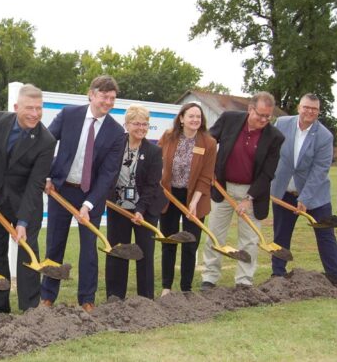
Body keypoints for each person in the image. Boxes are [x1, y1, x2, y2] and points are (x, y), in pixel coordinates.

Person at [41, 75, 125, 311]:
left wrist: (88, 205)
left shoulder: (117, 133)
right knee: (54, 245)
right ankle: (47, 297)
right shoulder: (69, 115)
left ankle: (87, 299)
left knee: (89, 249)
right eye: (104, 96)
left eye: (112, 98)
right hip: (61, 190)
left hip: (91, 195)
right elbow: (46, 144)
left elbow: (109, 173)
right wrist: (47, 177)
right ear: (91, 94)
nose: (107, 102)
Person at [270, 93, 337, 291]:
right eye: (306, 107)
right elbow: (270, 152)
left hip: (315, 196)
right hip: (283, 191)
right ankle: (278, 274)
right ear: (299, 107)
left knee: (325, 234)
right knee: (281, 235)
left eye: (314, 109)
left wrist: (305, 198)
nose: (309, 112)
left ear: (318, 112)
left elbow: (320, 170)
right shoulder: (282, 124)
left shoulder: (324, 136)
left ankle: (336, 277)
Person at [0, 84, 57, 313]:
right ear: (16, 107)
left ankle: (29, 308)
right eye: (29, 108)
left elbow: (36, 184)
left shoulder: (46, 141)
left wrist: (22, 221)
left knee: (27, 255)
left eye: (39, 108)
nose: (35, 114)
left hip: (26, 203)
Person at [200, 92, 284, 290]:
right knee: (215, 234)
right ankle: (209, 277)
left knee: (249, 240)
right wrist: (209, 169)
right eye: (260, 115)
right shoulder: (229, 120)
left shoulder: (275, 137)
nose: (263, 120)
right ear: (250, 109)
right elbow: (208, 142)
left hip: (253, 193)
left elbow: (267, 173)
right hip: (223, 188)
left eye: (268, 116)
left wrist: (249, 199)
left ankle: (244, 281)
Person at [105, 104, 163, 300]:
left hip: (145, 209)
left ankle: (145, 299)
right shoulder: (115, 144)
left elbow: (151, 186)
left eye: (145, 124)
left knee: (144, 253)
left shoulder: (154, 151)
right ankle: (114, 296)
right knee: (118, 251)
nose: (141, 128)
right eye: (137, 123)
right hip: (118, 208)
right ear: (127, 125)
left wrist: (140, 210)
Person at [158, 102, 216, 295]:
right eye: (191, 116)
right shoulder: (168, 137)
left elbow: (206, 176)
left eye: (198, 117)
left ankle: (186, 289)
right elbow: (157, 162)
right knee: (169, 242)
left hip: (195, 197)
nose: (195, 120)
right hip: (169, 196)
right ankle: (166, 287)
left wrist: (194, 202)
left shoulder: (208, 143)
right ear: (181, 118)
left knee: (190, 243)